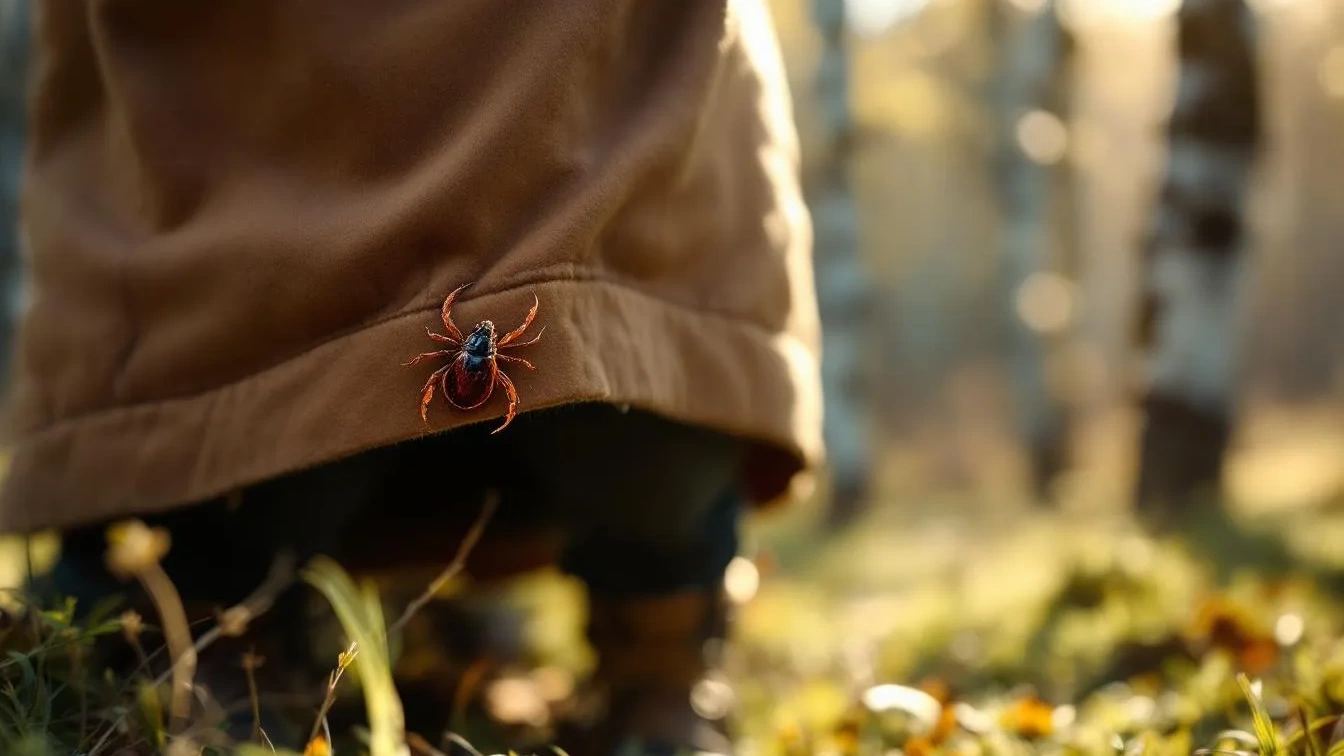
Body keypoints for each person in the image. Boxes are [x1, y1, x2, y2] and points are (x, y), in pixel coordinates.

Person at [1, 1, 822, 754]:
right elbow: (483, 352)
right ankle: (208, 636)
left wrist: (467, 340)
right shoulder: (484, 352)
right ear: (469, 348)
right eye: (478, 340)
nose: (484, 343)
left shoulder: (472, 348)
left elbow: (472, 349)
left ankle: (653, 654)